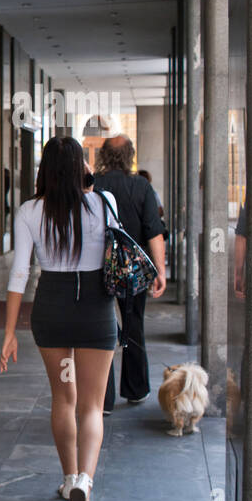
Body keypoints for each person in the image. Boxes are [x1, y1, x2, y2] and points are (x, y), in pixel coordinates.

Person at [0, 136, 164, 501]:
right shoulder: (100, 203)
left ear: (43, 169)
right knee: (92, 406)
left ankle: (69, 478)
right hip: (95, 311)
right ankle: (86, 485)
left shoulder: (28, 211)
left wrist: (8, 333)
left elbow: (19, 273)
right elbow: (117, 244)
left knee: (63, 398)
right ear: (82, 169)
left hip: (52, 311)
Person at [91, 133, 167, 412]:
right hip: (133, 269)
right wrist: (160, 270)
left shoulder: (92, 186)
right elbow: (154, 232)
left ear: (103, 156)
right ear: (130, 156)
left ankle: (104, 397)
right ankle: (136, 389)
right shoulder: (141, 187)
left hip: (97, 267)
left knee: (102, 330)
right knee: (134, 324)